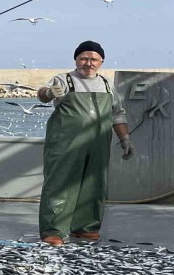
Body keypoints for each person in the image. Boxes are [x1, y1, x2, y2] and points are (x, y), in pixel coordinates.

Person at [36, 40, 134, 247]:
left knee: (94, 185)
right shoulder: (64, 80)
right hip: (65, 144)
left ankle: (86, 228)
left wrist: (124, 138)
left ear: (101, 62)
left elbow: (117, 114)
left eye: (94, 59)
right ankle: (53, 231)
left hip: (98, 144)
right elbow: (43, 95)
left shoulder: (107, 85)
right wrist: (50, 93)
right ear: (76, 60)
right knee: (59, 184)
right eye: (84, 58)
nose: (88, 63)